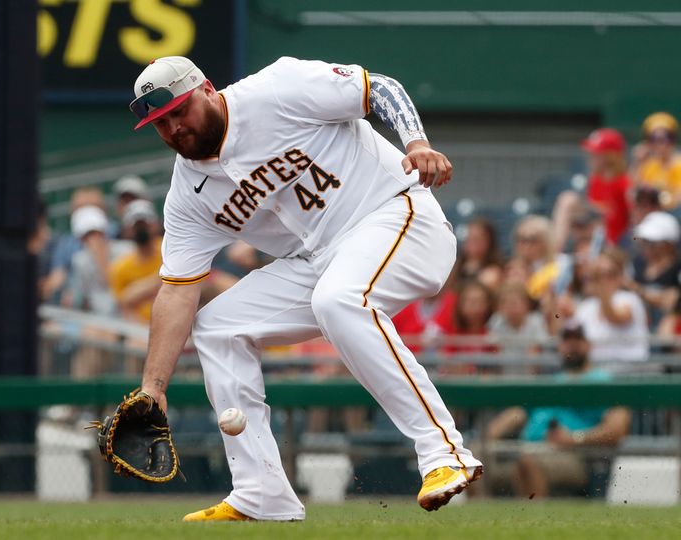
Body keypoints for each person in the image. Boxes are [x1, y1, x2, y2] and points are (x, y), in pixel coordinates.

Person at [128, 56, 482, 521]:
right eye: (161, 122)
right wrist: (153, 388)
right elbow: (176, 291)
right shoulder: (188, 196)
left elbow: (382, 89)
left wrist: (416, 143)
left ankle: (444, 453)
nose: (174, 127)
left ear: (208, 90)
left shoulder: (277, 88)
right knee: (217, 328)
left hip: (396, 214)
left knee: (337, 299)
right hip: (318, 259)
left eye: (180, 110)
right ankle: (261, 493)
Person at [484, 321, 631, 498]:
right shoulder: (552, 380)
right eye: (567, 340)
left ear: (588, 345)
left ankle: (534, 523)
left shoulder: (603, 381)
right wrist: (493, 432)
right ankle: (479, 523)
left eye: (578, 339)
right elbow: (519, 412)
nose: (572, 345)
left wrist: (575, 439)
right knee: (474, 456)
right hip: (527, 447)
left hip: (574, 454)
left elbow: (617, 429)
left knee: (528, 462)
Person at [552, 128, 631, 250]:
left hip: (613, 246)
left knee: (570, 203)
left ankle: (556, 252)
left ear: (610, 157)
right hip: (591, 240)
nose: (590, 156)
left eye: (596, 153)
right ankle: (555, 252)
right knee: (567, 200)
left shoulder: (624, 183)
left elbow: (630, 224)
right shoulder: (596, 180)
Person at [109, 199, 163, 323]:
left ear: (155, 224)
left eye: (144, 224)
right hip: (139, 330)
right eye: (137, 225)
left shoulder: (171, 251)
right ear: (127, 230)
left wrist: (136, 293)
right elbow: (122, 304)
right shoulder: (120, 267)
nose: (141, 229)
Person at [631, 112, 681, 209]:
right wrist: (638, 163)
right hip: (653, 214)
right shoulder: (648, 165)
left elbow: (676, 200)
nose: (660, 144)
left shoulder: (679, 164)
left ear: (672, 139)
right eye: (653, 138)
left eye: (665, 138)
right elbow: (633, 192)